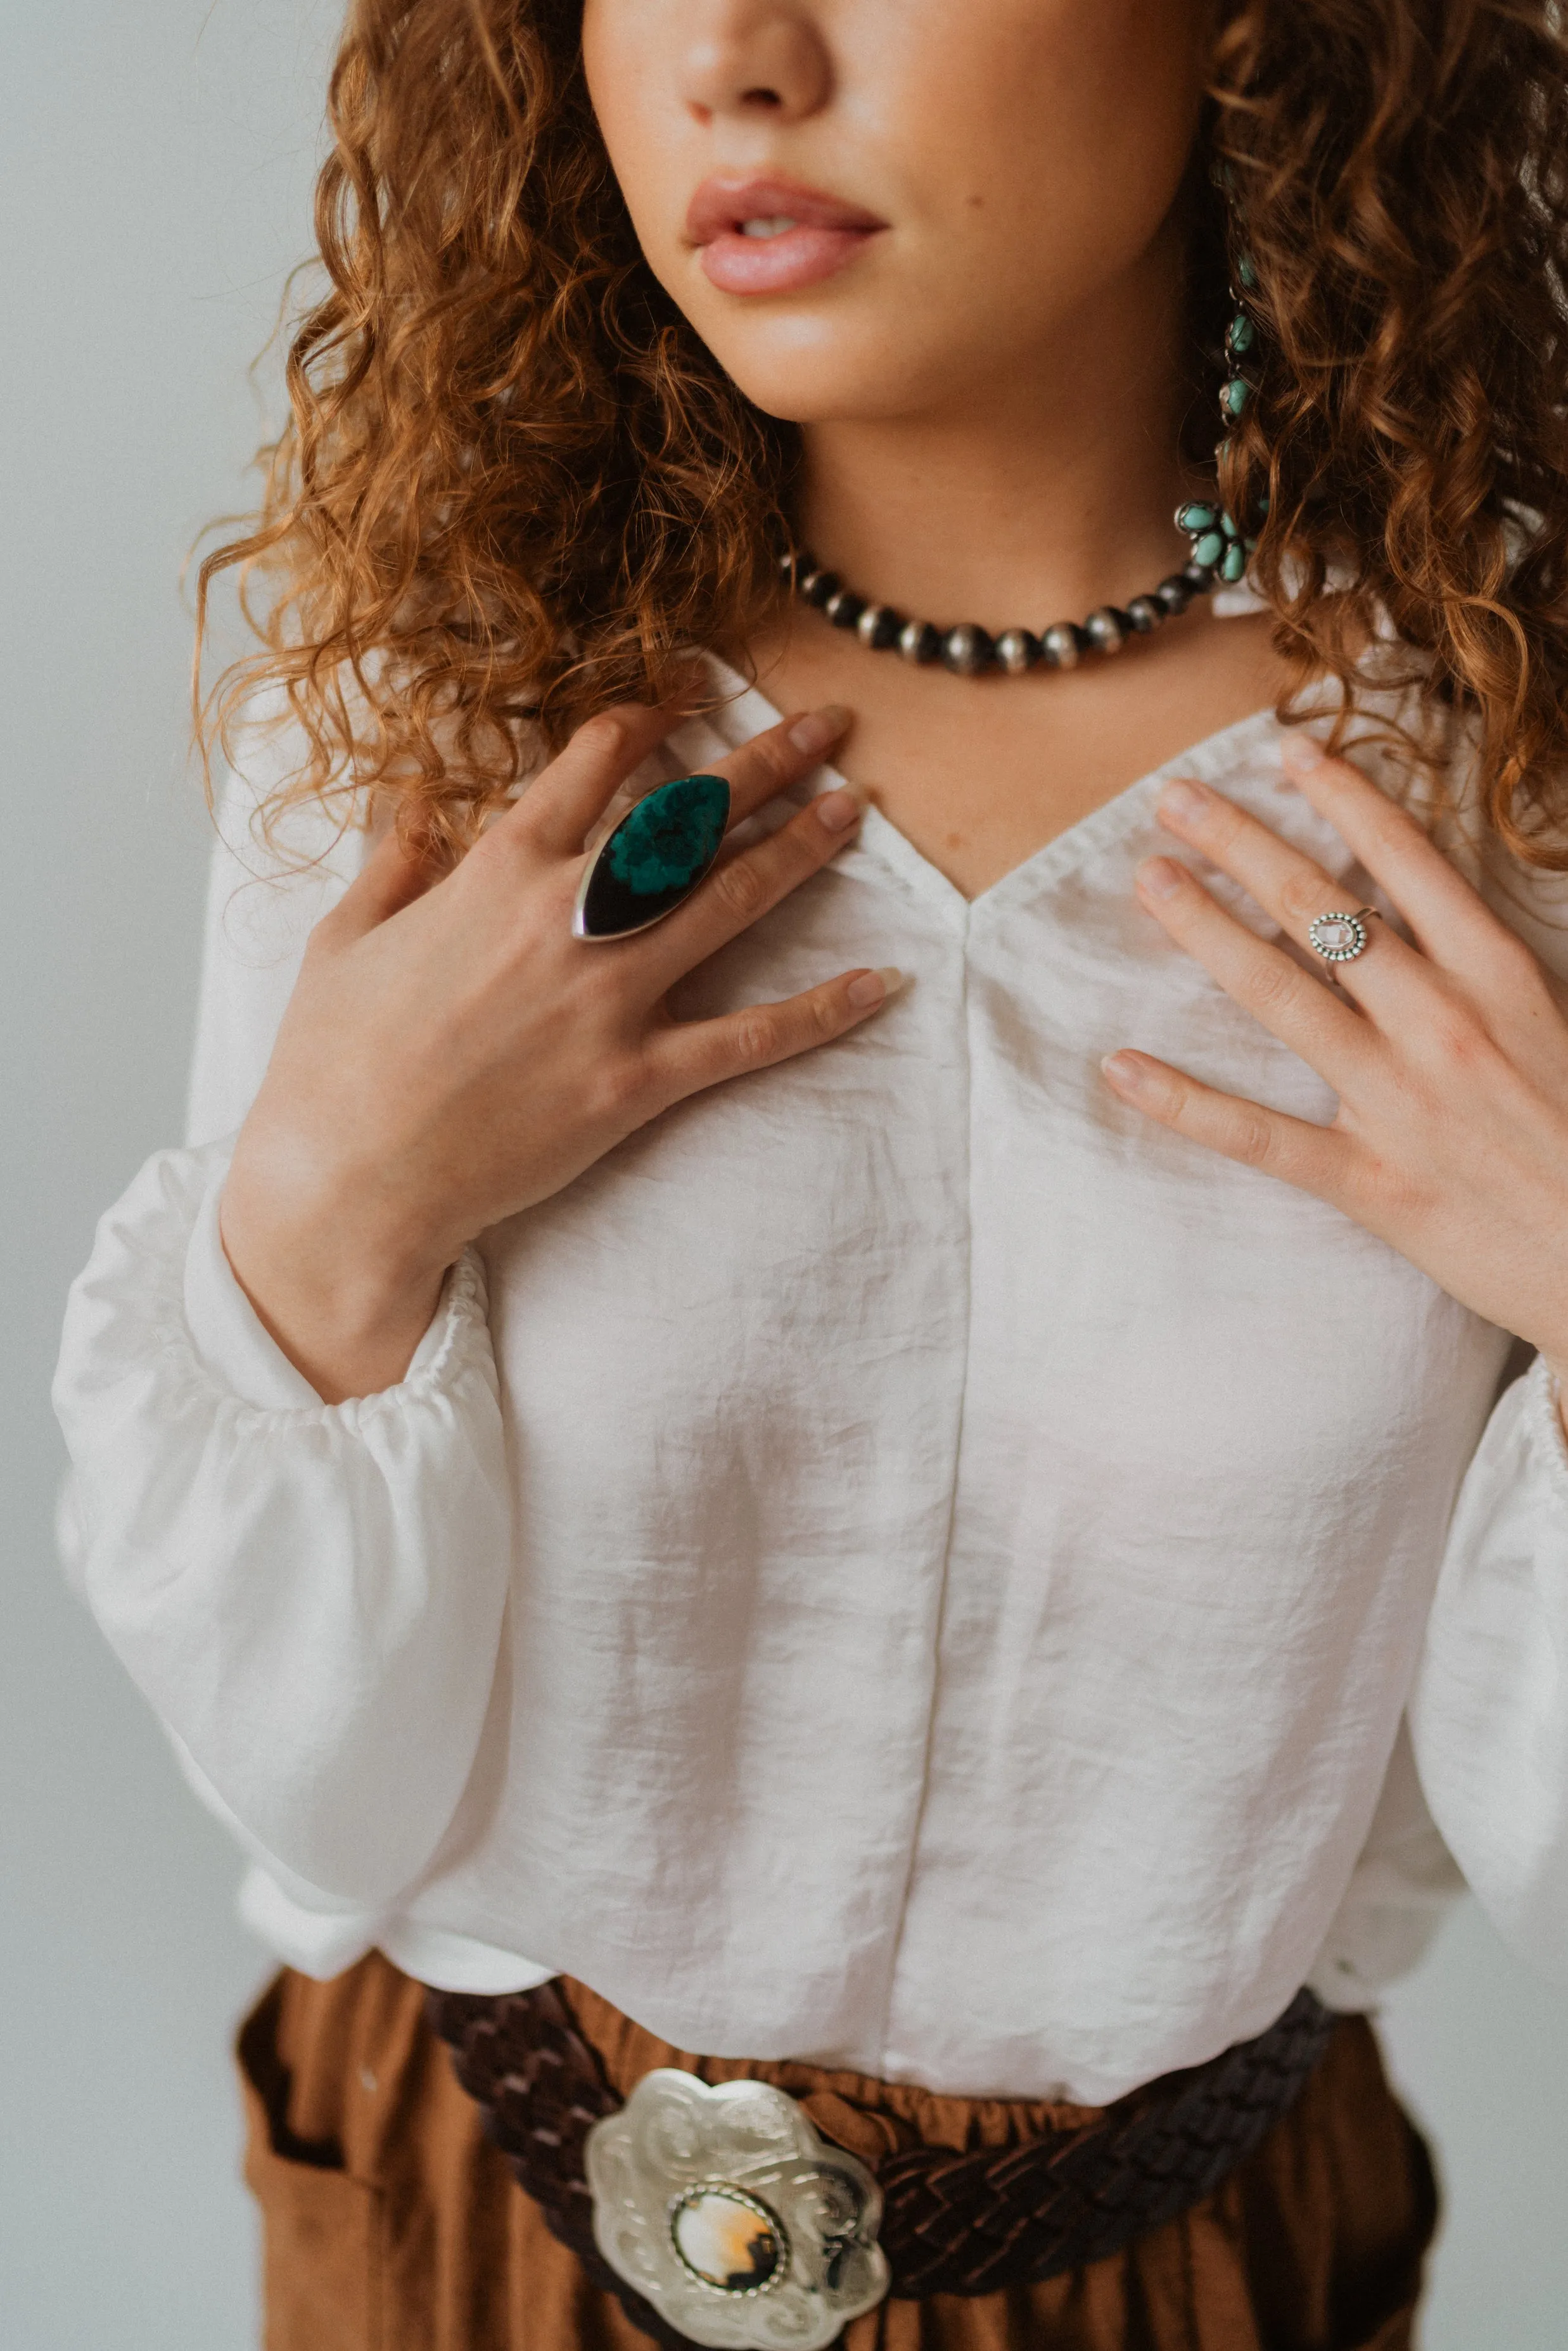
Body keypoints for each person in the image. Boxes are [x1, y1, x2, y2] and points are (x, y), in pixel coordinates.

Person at [53, 0, 1568, 2343]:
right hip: (477, 2239)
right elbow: (312, 1802)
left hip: (1188, 2274)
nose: (736, 60)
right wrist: (325, 1219)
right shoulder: (433, 745)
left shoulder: (1506, 814)